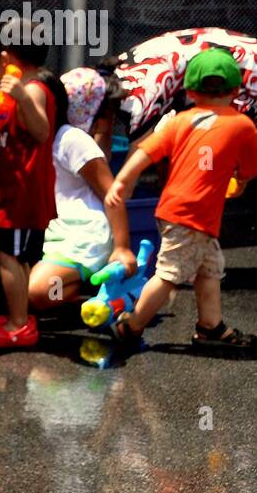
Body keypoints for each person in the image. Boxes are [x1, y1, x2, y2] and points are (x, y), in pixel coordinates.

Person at [105, 48, 257, 351]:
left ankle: (210, 326)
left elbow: (147, 151)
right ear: (237, 89)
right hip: (193, 218)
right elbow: (249, 169)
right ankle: (131, 326)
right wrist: (239, 182)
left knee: (210, 268)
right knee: (169, 275)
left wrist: (122, 179)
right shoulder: (242, 125)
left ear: (188, 89)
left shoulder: (178, 121)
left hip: (176, 213)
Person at [0, 20, 63, 348]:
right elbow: (13, 141)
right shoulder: (19, 94)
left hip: (22, 195)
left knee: (8, 255)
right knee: (15, 255)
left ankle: (18, 324)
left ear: (5, 58)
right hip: (16, 194)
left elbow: (41, 131)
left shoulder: (31, 90)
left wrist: (21, 97)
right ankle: (19, 319)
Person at [26, 67, 137, 309]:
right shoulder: (35, 139)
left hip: (80, 237)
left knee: (39, 293)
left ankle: (82, 285)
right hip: (48, 231)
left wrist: (122, 248)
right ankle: (71, 278)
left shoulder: (71, 140)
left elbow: (111, 194)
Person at [93, 27, 257, 154]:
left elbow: (140, 156)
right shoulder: (111, 76)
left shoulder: (137, 101)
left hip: (245, 67)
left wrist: (116, 190)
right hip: (223, 60)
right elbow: (102, 136)